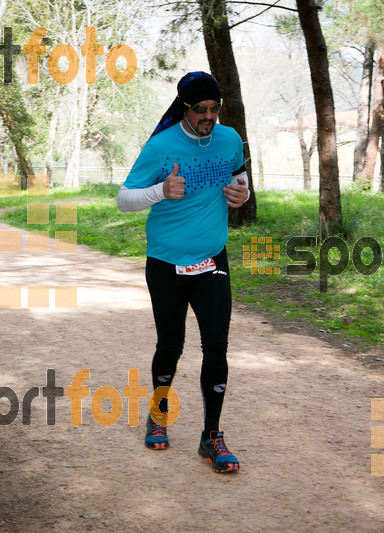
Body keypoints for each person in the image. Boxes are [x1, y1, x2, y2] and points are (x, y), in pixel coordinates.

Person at [116, 71, 250, 473]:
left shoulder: (230, 140)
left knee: (217, 347)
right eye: (200, 110)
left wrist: (240, 196)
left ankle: (212, 438)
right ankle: (158, 415)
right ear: (185, 108)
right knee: (171, 344)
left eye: (214, 109)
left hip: (211, 261)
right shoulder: (161, 146)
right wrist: (160, 191)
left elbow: (238, 180)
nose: (209, 116)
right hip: (165, 265)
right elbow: (124, 199)